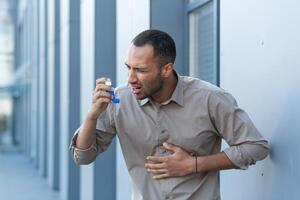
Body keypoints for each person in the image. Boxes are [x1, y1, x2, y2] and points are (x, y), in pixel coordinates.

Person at [70, 29, 269, 199]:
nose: (130, 78)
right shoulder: (118, 101)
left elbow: (255, 147)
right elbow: (83, 157)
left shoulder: (210, 99)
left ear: (166, 69)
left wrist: (194, 164)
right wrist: (92, 116)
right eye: (128, 67)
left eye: (140, 70)